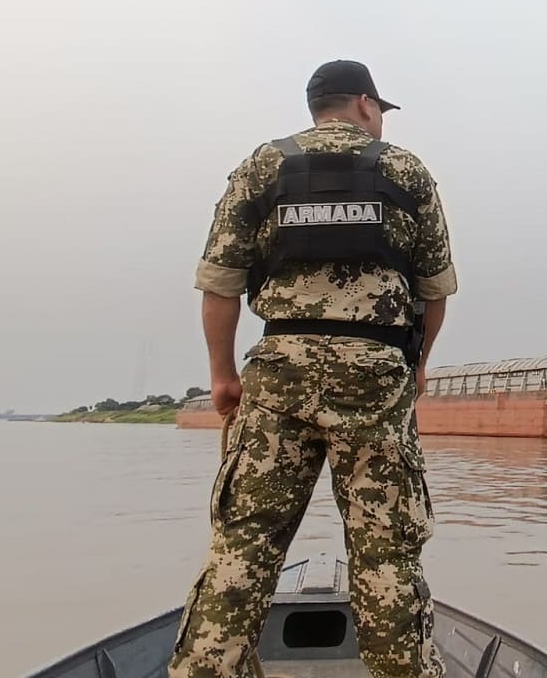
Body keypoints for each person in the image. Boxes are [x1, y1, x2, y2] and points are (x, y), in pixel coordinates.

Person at [168, 59, 456, 678]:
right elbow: (434, 292)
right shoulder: (407, 171)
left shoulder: (261, 167)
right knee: (386, 556)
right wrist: (418, 367)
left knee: (243, 546)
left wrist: (222, 376)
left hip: (279, 371)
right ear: (364, 104)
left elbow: (219, 284)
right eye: (379, 109)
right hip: (376, 377)